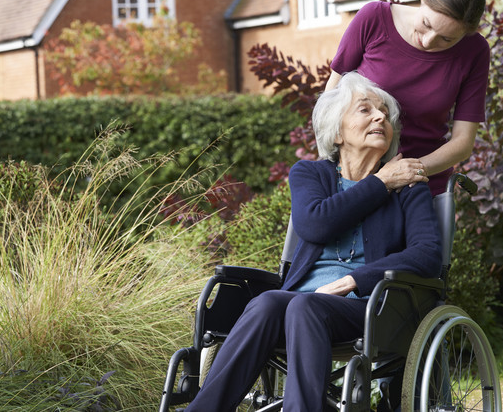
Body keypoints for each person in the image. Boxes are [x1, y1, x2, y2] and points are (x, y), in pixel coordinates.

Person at [185, 72, 442, 412]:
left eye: (384, 113)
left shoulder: (410, 187)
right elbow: (315, 224)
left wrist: (354, 279)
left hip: (371, 306)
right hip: (299, 303)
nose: (381, 117)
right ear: (337, 132)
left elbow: (427, 255)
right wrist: (380, 182)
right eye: (365, 110)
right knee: (267, 304)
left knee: (303, 306)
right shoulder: (311, 174)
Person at [326, 0, 490, 196]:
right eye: (426, 24)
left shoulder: (475, 52)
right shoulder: (373, 18)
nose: (428, 41)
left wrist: (407, 171)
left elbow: (462, 142)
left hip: (420, 186)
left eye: (447, 39)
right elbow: (329, 103)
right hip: (353, 180)